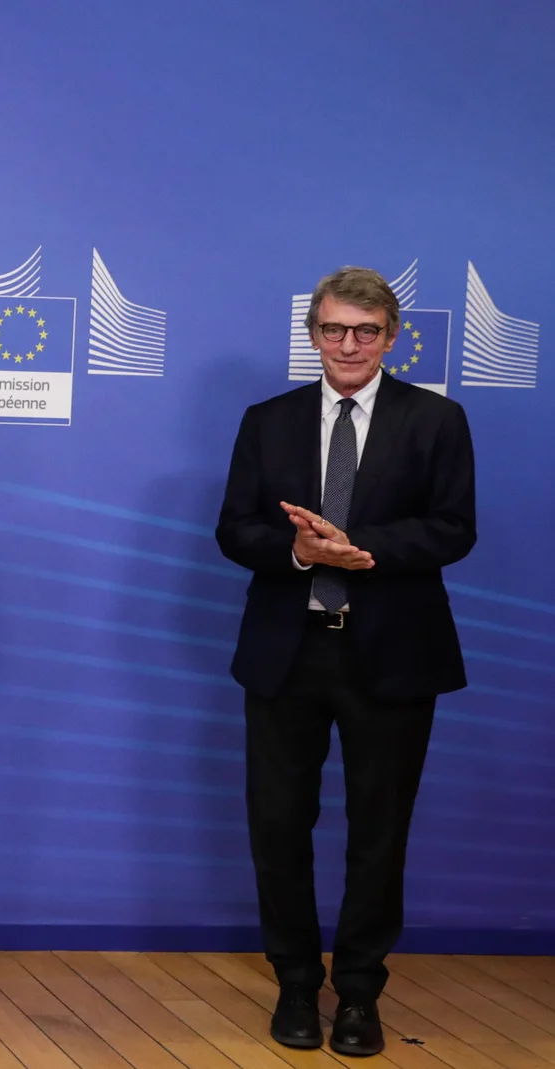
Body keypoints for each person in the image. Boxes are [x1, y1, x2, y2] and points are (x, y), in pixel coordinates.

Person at [216, 266, 476, 1057]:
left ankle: (359, 992)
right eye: (335, 330)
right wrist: (296, 550)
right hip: (286, 655)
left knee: (380, 831)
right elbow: (234, 530)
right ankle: (296, 984)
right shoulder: (268, 420)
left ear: (392, 338)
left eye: (366, 331)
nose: (350, 344)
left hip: (392, 656)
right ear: (314, 337)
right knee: (279, 826)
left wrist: (364, 551)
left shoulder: (436, 419)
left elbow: (453, 529)